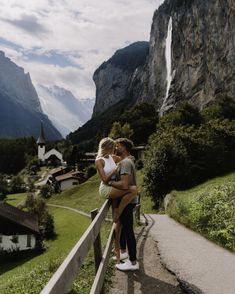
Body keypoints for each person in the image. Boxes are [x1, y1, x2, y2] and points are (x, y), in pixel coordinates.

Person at [95, 137, 137, 263]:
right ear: (108, 147)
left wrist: (130, 158)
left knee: (117, 222)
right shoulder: (99, 161)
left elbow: (126, 159)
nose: (115, 149)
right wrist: (115, 168)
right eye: (113, 147)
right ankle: (119, 211)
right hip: (106, 188)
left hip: (114, 186)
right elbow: (104, 180)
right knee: (133, 189)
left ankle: (117, 252)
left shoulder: (112, 157)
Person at [110, 138, 139, 271]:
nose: (116, 148)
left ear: (125, 148)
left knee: (128, 231)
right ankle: (124, 253)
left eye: (118, 145)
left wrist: (109, 183)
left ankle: (133, 262)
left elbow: (125, 184)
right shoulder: (126, 161)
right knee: (124, 229)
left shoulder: (126, 163)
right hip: (127, 200)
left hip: (127, 201)